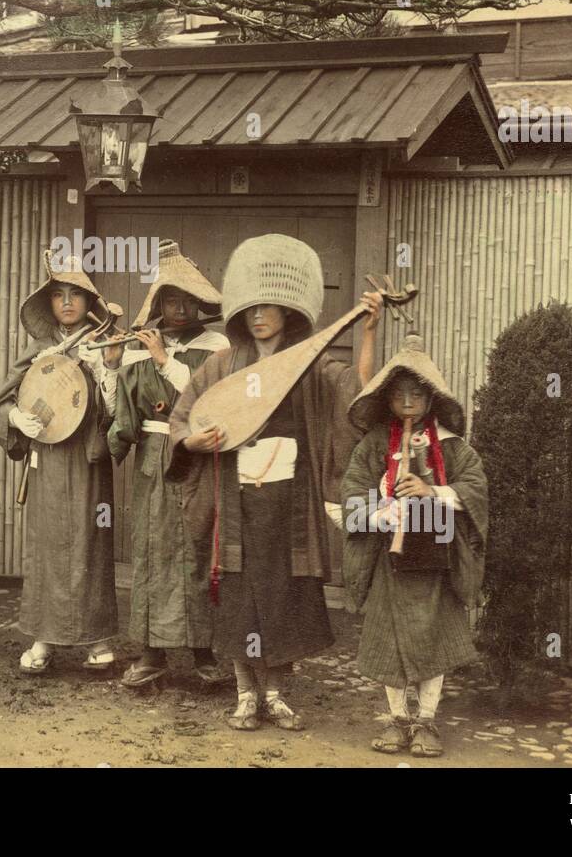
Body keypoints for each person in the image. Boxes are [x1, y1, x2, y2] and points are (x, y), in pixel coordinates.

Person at [168, 235, 383, 731]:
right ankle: (245, 694)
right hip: (235, 500)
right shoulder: (220, 366)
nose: (260, 315)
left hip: (289, 504)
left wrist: (370, 331)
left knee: (285, 597)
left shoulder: (310, 366)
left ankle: (276, 692)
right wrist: (192, 443)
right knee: (240, 598)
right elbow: (184, 420)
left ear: (290, 313)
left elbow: (358, 399)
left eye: (271, 306)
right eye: (252, 307)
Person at [341, 334, 488, 758]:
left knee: (435, 640)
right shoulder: (373, 445)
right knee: (389, 640)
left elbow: (476, 490)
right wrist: (380, 510)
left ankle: (425, 720)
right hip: (391, 555)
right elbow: (353, 491)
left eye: (417, 393)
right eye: (399, 393)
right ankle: (396, 719)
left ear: (431, 398)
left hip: (437, 555)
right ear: (387, 399)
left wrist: (432, 490)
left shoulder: (452, 447)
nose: (407, 400)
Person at [98, 240, 230, 688]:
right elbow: (123, 414)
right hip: (153, 460)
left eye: (187, 300)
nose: (179, 308)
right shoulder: (140, 345)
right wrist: (114, 365)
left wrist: (163, 360)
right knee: (152, 551)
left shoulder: (216, 347)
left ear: (199, 304)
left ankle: (203, 652)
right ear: (158, 303)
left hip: (196, 456)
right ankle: (151, 653)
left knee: (195, 549)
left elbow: (209, 402)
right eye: (170, 299)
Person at [0, 251, 117, 675]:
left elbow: (119, 411)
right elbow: (1, 402)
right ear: (50, 305)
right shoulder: (40, 349)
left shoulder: (103, 342)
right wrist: (16, 418)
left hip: (87, 458)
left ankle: (96, 638)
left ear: (87, 302)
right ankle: (43, 639)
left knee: (89, 543)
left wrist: (103, 372)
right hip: (47, 458)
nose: (66, 303)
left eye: (75, 295)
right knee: (47, 544)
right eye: (58, 295)